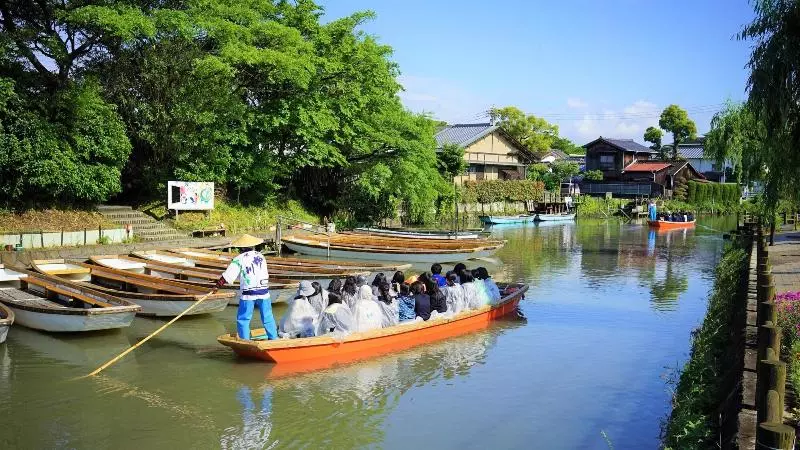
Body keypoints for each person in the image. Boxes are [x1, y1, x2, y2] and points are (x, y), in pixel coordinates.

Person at [217, 234, 276, 340]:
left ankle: (245, 340)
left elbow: (227, 275)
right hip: (264, 292)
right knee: (268, 317)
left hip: (249, 293)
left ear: (241, 248)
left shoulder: (239, 259)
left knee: (243, 319)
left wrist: (217, 286)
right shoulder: (261, 256)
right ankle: (273, 338)